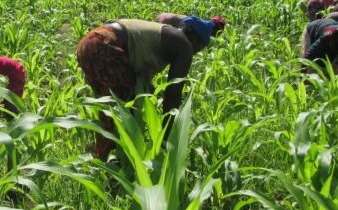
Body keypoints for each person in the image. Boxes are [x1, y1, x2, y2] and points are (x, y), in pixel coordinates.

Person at [76, 15, 226, 159]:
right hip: (105, 46)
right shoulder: (184, 45)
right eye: (199, 47)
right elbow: (173, 93)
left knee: (111, 107)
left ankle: (103, 155)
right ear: (194, 37)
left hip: (89, 43)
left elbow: (139, 76)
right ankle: (115, 164)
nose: (195, 52)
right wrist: (166, 139)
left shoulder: (165, 33)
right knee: (125, 109)